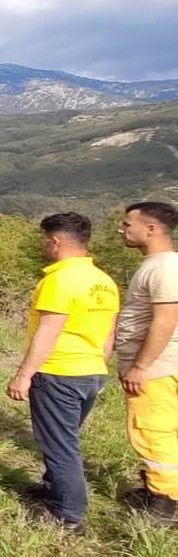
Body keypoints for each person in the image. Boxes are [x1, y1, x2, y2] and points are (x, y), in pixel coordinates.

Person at [6, 212, 118, 530]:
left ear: (55, 242)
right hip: (91, 371)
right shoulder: (104, 281)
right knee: (64, 437)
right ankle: (53, 490)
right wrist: (99, 369)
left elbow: (48, 332)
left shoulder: (59, 280)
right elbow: (109, 333)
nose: (42, 245)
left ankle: (67, 515)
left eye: (44, 240)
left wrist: (24, 375)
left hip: (59, 373)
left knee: (59, 444)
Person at [114, 201, 178, 522]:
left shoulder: (165, 268)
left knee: (153, 432)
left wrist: (140, 366)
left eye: (128, 224)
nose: (121, 229)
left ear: (150, 229)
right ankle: (159, 487)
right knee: (165, 432)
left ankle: (165, 503)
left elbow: (164, 321)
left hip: (158, 369)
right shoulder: (157, 265)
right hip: (162, 366)